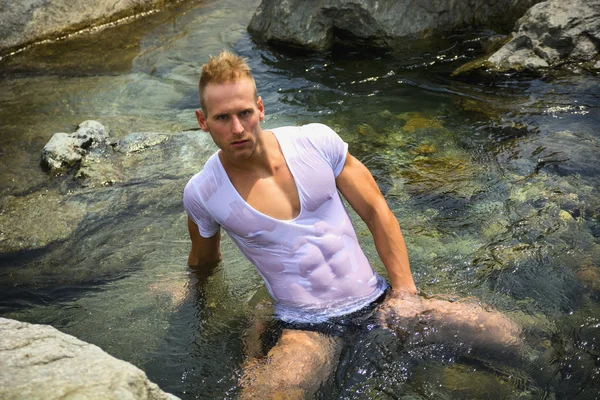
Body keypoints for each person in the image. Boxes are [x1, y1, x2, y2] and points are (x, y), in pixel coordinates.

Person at [183, 51, 522, 399]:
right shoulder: (203, 192)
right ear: (203, 120)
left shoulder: (314, 142)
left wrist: (405, 293)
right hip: (307, 327)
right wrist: (187, 290)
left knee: (505, 333)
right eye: (223, 118)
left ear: (261, 108)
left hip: (379, 301)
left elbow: (376, 210)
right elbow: (205, 261)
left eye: (244, 113)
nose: (237, 128)